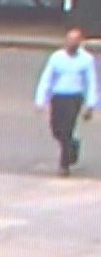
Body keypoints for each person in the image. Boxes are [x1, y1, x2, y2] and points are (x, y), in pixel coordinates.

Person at [35, 27, 97, 175]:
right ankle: (73, 145)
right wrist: (40, 100)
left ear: (80, 43)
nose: (71, 43)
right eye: (69, 40)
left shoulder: (86, 60)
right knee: (56, 129)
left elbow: (91, 82)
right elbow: (47, 78)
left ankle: (64, 165)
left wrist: (90, 105)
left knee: (67, 130)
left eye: (75, 41)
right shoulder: (57, 58)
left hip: (75, 97)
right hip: (58, 97)